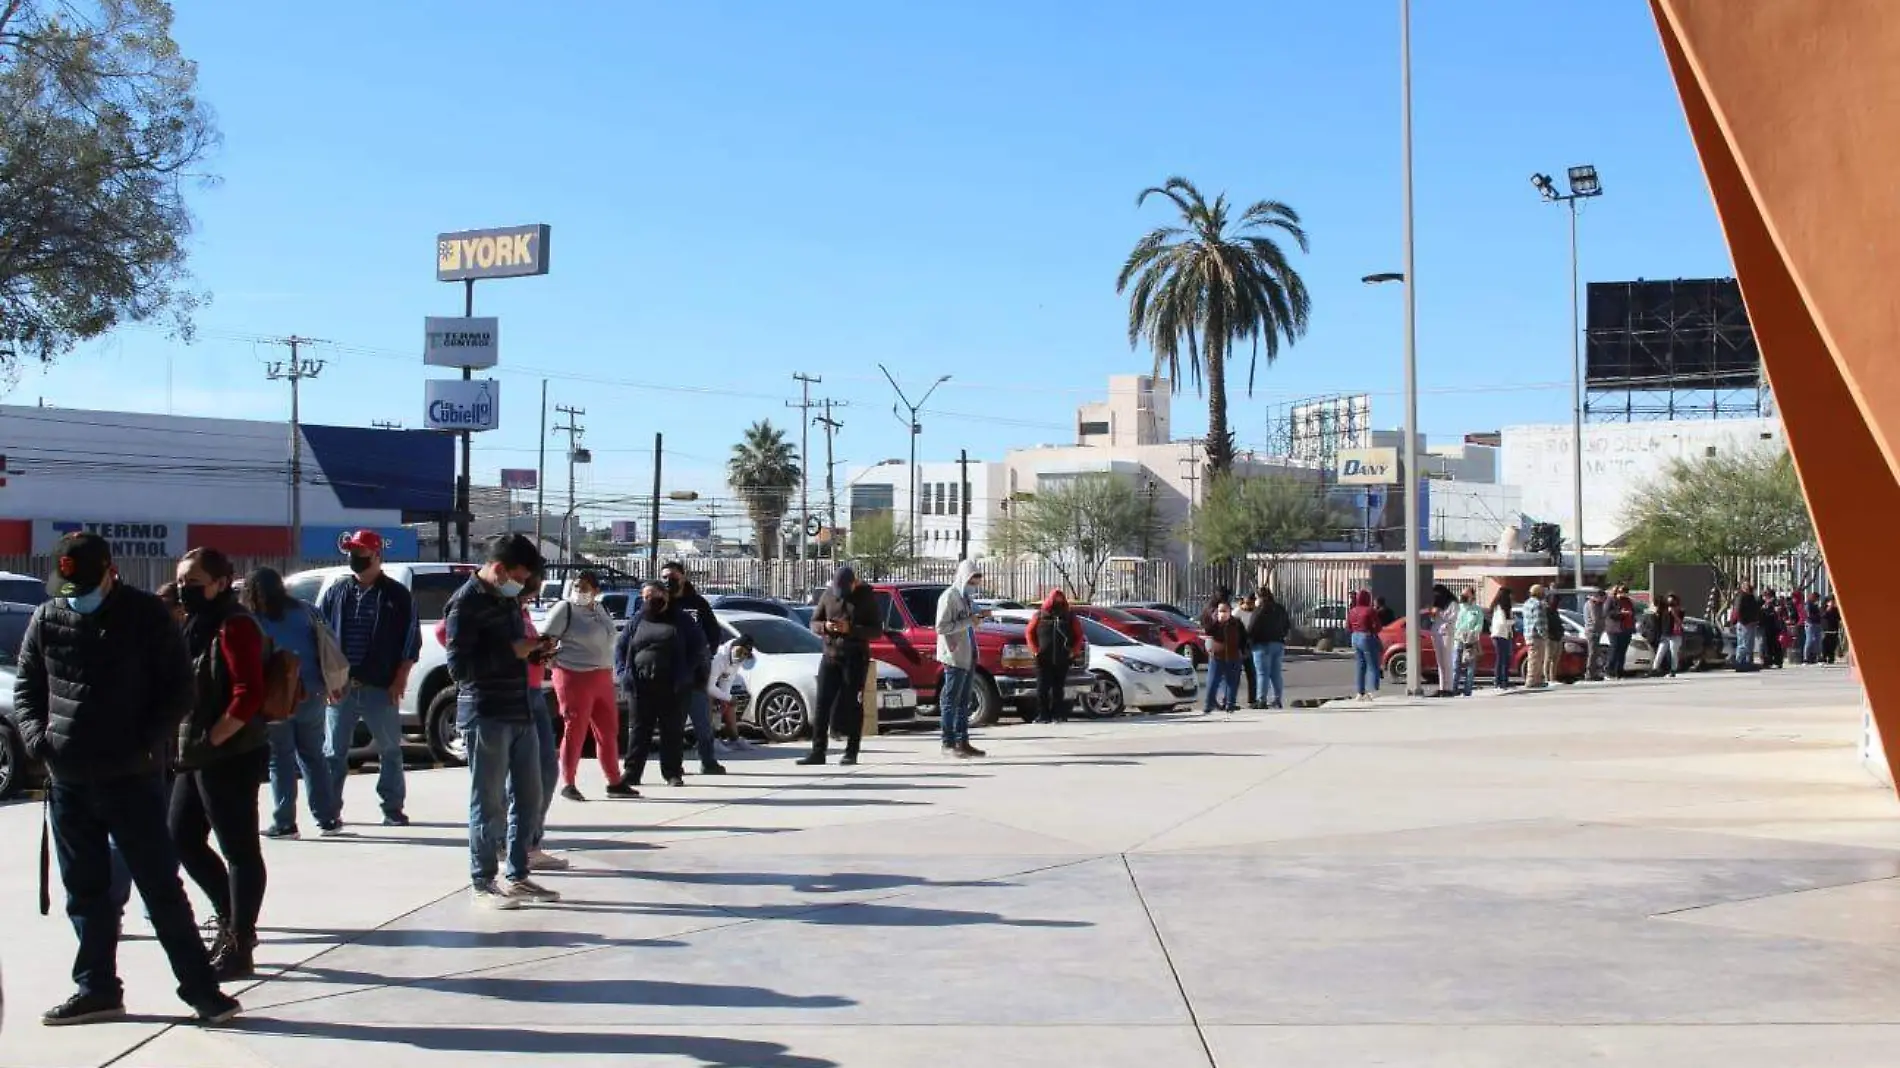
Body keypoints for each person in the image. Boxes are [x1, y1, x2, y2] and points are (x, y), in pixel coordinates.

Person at [15, 533, 241, 1026]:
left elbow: (178, 691)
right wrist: (38, 741)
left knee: (161, 888)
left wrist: (144, 742)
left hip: (131, 779)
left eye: (84, 583)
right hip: (69, 780)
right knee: (87, 892)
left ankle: (202, 990)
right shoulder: (49, 616)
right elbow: (28, 686)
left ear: (110, 572)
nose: (75, 593)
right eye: (68, 584)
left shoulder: (147, 616)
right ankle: (96, 989)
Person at [169, 548, 273, 981]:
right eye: (180, 581)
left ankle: (240, 942)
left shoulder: (235, 625)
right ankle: (229, 917)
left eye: (193, 582)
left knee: (239, 849)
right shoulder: (195, 625)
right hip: (195, 754)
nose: (184, 589)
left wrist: (215, 737)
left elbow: (248, 693)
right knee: (181, 838)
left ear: (220, 582)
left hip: (228, 754)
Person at [444, 534, 559, 910]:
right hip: (486, 712)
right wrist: (511, 651)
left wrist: (535, 654)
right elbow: (459, 668)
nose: (521, 585)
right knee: (488, 800)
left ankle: (519, 873)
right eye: (518, 576)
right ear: (498, 568)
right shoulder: (464, 604)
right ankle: (482, 880)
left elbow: (515, 651)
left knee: (529, 795)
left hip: (519, 706)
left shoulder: (508, 599)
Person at [319, 530, 420, 827]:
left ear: (377, 556)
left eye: (361, 553)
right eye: (351, 553)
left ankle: (392, 809)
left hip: (380, 686)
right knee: (333, 753)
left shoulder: (397, 595)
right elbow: (322, 638)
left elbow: (410, 641)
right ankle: (329, 812)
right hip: (341, 687)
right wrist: (326, 679)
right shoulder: (337, 592)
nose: (355, 559)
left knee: (389, 750)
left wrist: (400, 677)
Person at [243, 567, 343, 839]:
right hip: (312, 691)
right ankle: (328, 818)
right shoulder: (307, 611)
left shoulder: (253, 619)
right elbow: (327, 645)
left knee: (281, 759)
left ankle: (285, 822)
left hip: (275, 697)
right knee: (313, 756)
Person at [542, 571, 626, 801]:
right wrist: (554, 663)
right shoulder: (565, 609)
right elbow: (545, 641)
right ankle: (568, 782)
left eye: (586, 587)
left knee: (608, 731)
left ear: (596, 590)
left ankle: (614, 781)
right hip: (573, 675)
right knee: (575, 729)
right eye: (577, 586)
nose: (580, 590)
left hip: (601, 676)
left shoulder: (599, 609)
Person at [619, 578, 708, 784]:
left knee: (672, 731)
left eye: (654, 596)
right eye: (646, 597)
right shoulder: (637, 620)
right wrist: (624, 672)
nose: (650, 601)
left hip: (673, 686)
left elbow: (698, 647)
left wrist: (687, 672)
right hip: (641, 686)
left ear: (665, 596)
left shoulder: (682, 620)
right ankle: (632, 773)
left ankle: (672, 773)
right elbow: (621, 647)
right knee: (639, 731)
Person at [798, 566, 880, 763]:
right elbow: (813, 622)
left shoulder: (866, 596)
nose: (841, 595)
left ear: (854, 583)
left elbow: (876, 630)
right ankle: (818, 751)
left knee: (852, 704)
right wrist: (824, 626)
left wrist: (851, 629)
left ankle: (851, 752)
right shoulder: (828, 595)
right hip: (830, 656)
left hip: (854, 657)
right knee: (822, 704)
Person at [659, 562, 727, 776]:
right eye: (664, 577)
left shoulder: (697, 603)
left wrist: (707, 654)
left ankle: (708, 761)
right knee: (673, 726)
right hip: (669, 675)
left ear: (683, 577)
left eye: (673, 576)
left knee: (702, 723)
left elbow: (713, 631)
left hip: (696, 675)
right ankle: (674, 765)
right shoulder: (661, 603)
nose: (669, 581)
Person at [934, 560, 988, 758]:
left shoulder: (966, 598)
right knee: (951, 701)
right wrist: (968, 621)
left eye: (977, 582)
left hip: (969, 654)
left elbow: (970, 622)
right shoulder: (949, 597)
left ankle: (963, 741)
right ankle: (948, 742)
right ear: (964, 578)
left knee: (964, 701)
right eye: (972, 581)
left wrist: (979, 618)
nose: (974, 586)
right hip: (954, 655)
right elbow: (941, 627)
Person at [1025, 587, 1083, 724]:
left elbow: (1079, 635)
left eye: (1060, 598)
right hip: (1042, 659)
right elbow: (1029, 632)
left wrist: (1073, 651)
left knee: (1058, 688)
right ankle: (1043, 715)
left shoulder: (1069, 616)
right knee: (1042, 688)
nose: (1058, 601)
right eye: (1055, 598)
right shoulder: (1040, 615)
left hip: (1062, 658)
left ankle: (1058, 715)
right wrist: (1034, 650)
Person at [706, 633, 756, 750]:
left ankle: (734, 739)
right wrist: (726, 697)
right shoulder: (718, 658)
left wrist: (726, 698)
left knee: (728, 704)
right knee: (710, 699)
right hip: (696, 684)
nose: (742, 656)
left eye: (745, 654)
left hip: (711, 684)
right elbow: (708, 686)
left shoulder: (737, 660)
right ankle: (709, 740)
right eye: (741, 652)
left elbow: (727, 680)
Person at [1246, 587, 1291, 710]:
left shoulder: (1260, 610)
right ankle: (1277, 699)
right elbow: (1287, 625)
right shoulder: (1280, 608)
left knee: (1262, 674)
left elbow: (1252, 627)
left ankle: (1262, 700)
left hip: (1262, 645)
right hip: (1278, 644)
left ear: (1260, 597)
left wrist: (1248, 640)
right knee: (1276, 673)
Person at [1201, 601, 1244, 714]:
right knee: (1213, 681)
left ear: (1230, 612)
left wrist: (1242, 651)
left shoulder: (1236, 623)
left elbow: (1244, 637)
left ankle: (1230, 704)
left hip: (1233, 656)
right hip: (1217, 656)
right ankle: (1208, 705)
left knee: (1232, 682)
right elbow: (1208, 631)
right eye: (1221, 611)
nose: (1223, 613)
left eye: (1225, 611)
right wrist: (1216, 621)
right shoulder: (1215, 624)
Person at [1346, 590, 1382, 701]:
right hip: (1366, 636)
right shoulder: (1370, 610)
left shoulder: (1352, 611)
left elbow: (1348, 627)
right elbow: (1377, 626)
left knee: (1360, 666)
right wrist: (1372, 631)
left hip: (1355, 637)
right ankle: (1372, 691)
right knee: (1373, 665)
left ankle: (1360, 692)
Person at [1451, 588, 1484, 697]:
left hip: (1471, 641)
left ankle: (1467, 690)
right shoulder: (1458, 608)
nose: (1463, 596)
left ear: (1472, 596)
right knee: (1456, 665)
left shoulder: (1477, 610)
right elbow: (1452, 622)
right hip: (1458, 640)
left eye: (1466, 594)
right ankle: (1453, 689)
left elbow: (1479, 624)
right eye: (1462, 594)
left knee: (1470, 667)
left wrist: (1473, 632)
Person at [1233, 593, 1259, 708]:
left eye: (1251, 603)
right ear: (1243, 602)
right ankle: (1231, 700)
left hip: (1249, 645)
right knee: (1235, 675)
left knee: (1252, 674)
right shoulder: (1237, 613)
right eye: (1247, 603)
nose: (1249, 605)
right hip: (1238, 646)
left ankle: (1252, 700)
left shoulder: (1255, 612)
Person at [1429, 584, 1456, 697]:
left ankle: (1449, 688)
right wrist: (1433, 613)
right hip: (1436, 633)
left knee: (1447, 661)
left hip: (1446, 633)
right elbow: (1432, 619)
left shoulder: (1452, 603)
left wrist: (1439, 612)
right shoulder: (1437, 604)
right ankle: (1441, 687)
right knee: (1440, 662)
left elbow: (1452, 618)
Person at [1522, 585, 1551, 688]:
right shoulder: (1538, 604)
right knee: (1535, 659)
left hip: (1528, 634)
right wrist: (1545, 635)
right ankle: (1531, 680)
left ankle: (1537, 680)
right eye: (1543, 592)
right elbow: (1539, 622)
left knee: (1535, 658)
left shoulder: (1526, 604)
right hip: (1536, 636)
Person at [1607, 584, 1637, 679]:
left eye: (1626, 592)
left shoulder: (1628, 601)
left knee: (1622, 651)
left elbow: (1633, 612)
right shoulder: (1611, 600)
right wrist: (1621, 614)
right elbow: (1607, 613)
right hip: (1615, 629)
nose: (1624, 594)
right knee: (1615, 649)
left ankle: (1619, 672)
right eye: (1622, 592)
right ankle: (1609, 670)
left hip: (1627, 628)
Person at [1730, 581, 1761, 671]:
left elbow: (1756, 607)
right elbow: (1738, 611)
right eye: (1747, 586)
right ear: (1743, 587)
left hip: (1751, 623)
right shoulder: (1741, 596)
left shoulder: (1751, 597)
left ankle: (1747, 663)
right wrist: (1745, 622)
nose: (1749, 587)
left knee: (1749, 645)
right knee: (1743, 644)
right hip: (1744, 624)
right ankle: (1739, 663)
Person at [1489, 588, 1515, 689]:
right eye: (1510, 595)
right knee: (1501, 659)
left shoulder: (1507, 608)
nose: (1512, 597)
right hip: (1499, 635)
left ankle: (1504, 681)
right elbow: (1503, 622)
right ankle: (1499, 681)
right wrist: (1513, 621)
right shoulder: (1499, 608)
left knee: (1506, 659)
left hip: (1506, 635)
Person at [1655, 592, 1686, 677]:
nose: (1671, 605)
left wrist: (1673, 613)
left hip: (1675, 634)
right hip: (1665, 634)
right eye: (1669, 603)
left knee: (1673, 652)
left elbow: (1680, 622)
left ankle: (1673, 670)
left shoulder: (1680, 610)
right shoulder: (1664, 610)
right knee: (1660, 651)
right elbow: (1658, 618)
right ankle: (1655, 669)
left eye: (1673, 603)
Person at [1582, 588, 1609, 682]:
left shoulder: (1597, 604)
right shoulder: (1592, 604)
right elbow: (1596, 619)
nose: (1604, 601)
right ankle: (1589, 674)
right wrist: (1604, 620)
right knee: (1592, 653)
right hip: (1592, 631)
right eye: (1603, 598)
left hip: (1596, 631)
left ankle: (1594, 672)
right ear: (1598, 597)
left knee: (1596, 653)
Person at [1759, 588, 1786, 669]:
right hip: (1767, 625)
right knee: (1768, 644)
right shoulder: (1764, 604)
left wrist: (1773, 610)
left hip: (1773, 626)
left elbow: (1779, 612)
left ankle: (1774, 661)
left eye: (1765, 596)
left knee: (1772, 644)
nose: (1764, 598)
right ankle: (1769, 661)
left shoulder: (1775, 603)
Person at [1803, 591, 1826, 665]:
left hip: (1817, 624)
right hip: (1810, 624)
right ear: (1813, 597)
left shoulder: (1814, 604)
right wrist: (1819, 615)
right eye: (1817, 598)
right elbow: (1809, 615)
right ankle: (1806, 658)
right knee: (1810, 640)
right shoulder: (1808, 604)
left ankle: (1819, 658)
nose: (1818, 600)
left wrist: (1820, 614)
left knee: (1818, 641)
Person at [1823, 597, 1843, 663]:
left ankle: (1831, 658)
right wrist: (1828, 610)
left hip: (1834, 629)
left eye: (1833, 602)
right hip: (1826, 629)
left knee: (1833, 644)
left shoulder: (1836, 609)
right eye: (1831, 602)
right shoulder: (1823, 608)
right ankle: (1824, 657)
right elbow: (1823, 616)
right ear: (1827, 603)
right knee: (1825, 644)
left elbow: (1839, 618)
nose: (1833, 603)